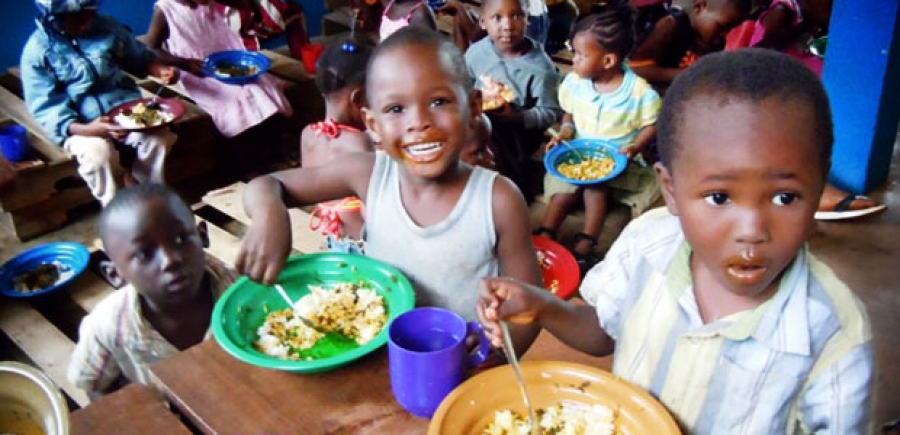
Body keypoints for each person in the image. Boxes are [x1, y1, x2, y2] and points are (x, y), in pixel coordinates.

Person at [477, 49, 874, 433]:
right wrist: (543, 307)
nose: (752, 230)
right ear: (670, 189)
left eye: (785, 197)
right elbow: (602, 331)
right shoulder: (648, 246)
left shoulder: (835, 332)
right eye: (719, 198)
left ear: (820, 184)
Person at [236, 27, 542, 356]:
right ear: (372, 125)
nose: (419, 122)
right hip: (374, 351)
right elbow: (267, 185)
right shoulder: (367, 173)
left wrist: (488, 355)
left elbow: (531, 309)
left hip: (464, 361)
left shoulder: (498, 200)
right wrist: (270, 214)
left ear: (474, 107)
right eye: (396, 109)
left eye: (439, 101)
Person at [67, 184, 237, 399]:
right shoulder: (107, 327)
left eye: (180, 239)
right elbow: (95, 386)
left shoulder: (239, 294)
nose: (170, 260)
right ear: (115, 274)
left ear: (202, 236)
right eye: (144, 253)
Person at [731, 0, 885, 221]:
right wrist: (804, 26)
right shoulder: (783, 11)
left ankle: (801, 187)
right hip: (766, 94)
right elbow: (764, 49)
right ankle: (809, 191)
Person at [537, 2, 661, 272]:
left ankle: (587, 242)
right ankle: (546, 232)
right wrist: (566, 131)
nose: (574, 60)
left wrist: (635, 146)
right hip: (577, 153)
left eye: (581, 55)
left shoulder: (638, 93)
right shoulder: (575, 83)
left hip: (616, 160)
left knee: (596, 188)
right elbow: (568, 114)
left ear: (607, 61)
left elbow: (652, 125)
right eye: (574, 52)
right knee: (562, 188)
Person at [21, 0, 179, 206]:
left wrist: (158, 69)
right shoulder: (38, 53)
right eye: (77, 21)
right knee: (97, 155)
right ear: (55, 20)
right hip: (80, 124)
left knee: (157, 138)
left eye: (90, 16)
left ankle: (150, 196)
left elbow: (138, 56)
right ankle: (114, 207)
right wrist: (87, 129)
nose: (86, 25)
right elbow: (47, 109)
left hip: (123, 109)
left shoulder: (107, 27)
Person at [145, 0, 293, 174]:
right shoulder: (165, 10)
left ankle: (272, 148)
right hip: (196, 71)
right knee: (235, 102)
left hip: (225, 61)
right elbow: (150, 48)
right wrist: (183, 63)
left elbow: (247, 6)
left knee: (263, 88)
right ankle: (248, 164)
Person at [465, 0, 561, 201]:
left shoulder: (540, 68)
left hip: (520, 131)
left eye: (517, 16)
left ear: (528, 21)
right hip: (480, 119)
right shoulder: (477, 52)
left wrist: (517, 117)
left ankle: (512, 191)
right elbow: (465, 83)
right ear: (483, 22)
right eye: (497, 18)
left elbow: (550, 112)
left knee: (496, 141)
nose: (507, 26)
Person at [301, 37, 375, 250]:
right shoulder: (360, 143)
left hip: (333, 237)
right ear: (359, 98)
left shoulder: (308, 134)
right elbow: (373, 209)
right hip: (362, 246)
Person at [629, 0, 750, 91]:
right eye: (722, 26)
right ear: (700, 7)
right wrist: (688, 73)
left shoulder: (715, 42)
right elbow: (636, 69)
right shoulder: (670, 25)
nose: (726, 34)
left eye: (732, 29)